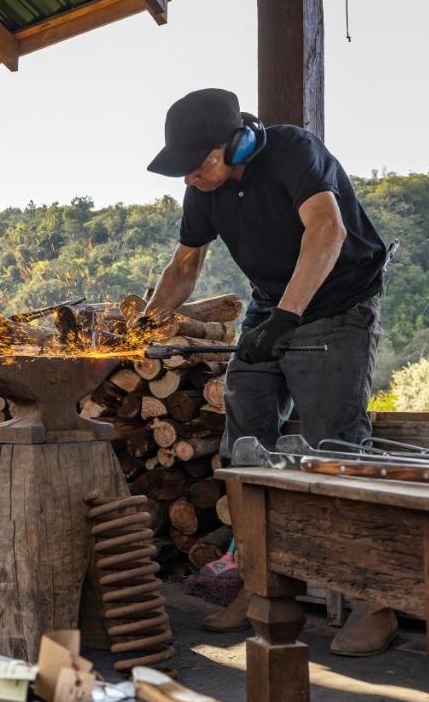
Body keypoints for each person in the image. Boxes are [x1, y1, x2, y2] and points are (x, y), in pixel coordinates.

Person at [141, 89, 395, 657]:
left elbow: (325, 232)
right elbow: (184, 267)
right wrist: (141, 328)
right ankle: (261, 592)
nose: (191, 179)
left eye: (198, 164)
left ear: (238, 142)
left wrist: (287, 318)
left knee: (339, 449)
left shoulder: (292, 152)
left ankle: (374, 602)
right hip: (271, 305)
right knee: (245, 448)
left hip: (337, 305)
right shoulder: (202, 187)